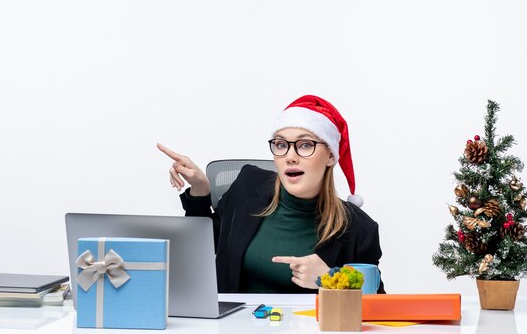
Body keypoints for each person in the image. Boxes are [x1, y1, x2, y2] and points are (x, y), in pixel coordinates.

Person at [158, 95, 384, 293]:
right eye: (281, 144)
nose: (290, 156)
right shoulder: (249, 186)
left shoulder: (359, 229)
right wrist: (200, 192)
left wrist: (330, 279)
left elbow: (376, 308)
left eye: (305, 145)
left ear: (331, 156)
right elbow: (206, 247)